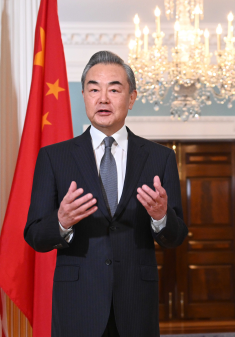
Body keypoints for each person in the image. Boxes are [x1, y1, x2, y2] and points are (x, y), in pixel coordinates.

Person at [24, 50, 188, 337]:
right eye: (94, 89)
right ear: (84, 96)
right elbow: (35, 236)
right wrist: (61, 221)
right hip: (78, 303)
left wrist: (161, 218)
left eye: (114, 89)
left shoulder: (160, 158)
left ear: (132, 98)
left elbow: (175, 238)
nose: (103, 98)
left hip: (136, 303)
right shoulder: (54, 157)